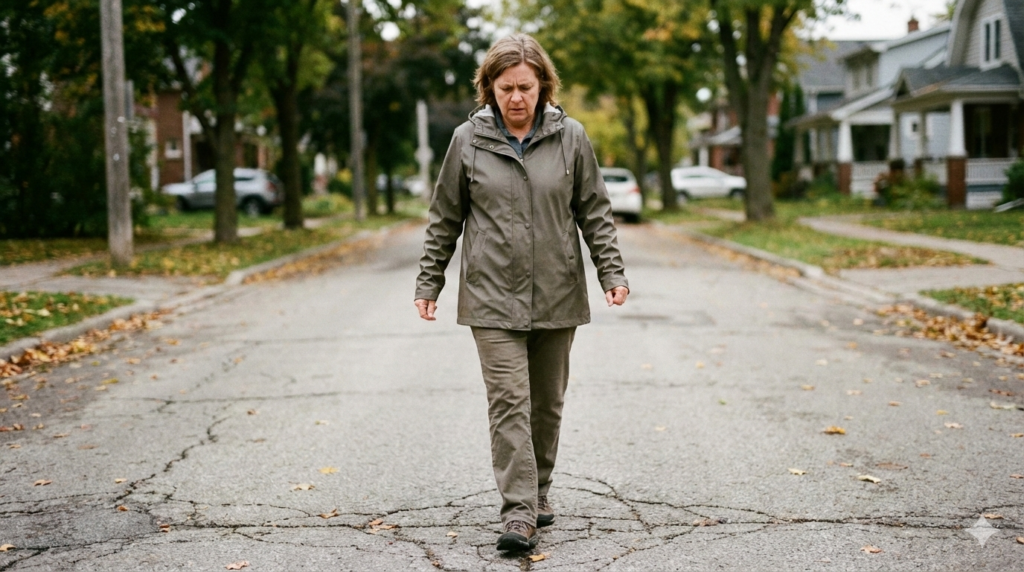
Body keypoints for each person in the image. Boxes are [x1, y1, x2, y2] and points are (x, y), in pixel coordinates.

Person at [414, 33, 629, 553]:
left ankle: (540, 491)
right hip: (491, 296)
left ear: (543, 88)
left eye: (525, 87)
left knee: (546, 405)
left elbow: (594, 211)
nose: (516, 98)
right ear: (488, 89)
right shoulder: (467, 141)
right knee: (509, 402)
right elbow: (445, 218)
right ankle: (518, 514)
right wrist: (430, 280)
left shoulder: (571, 137)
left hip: (557, 291)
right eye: (505, 87)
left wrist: (612, 272)